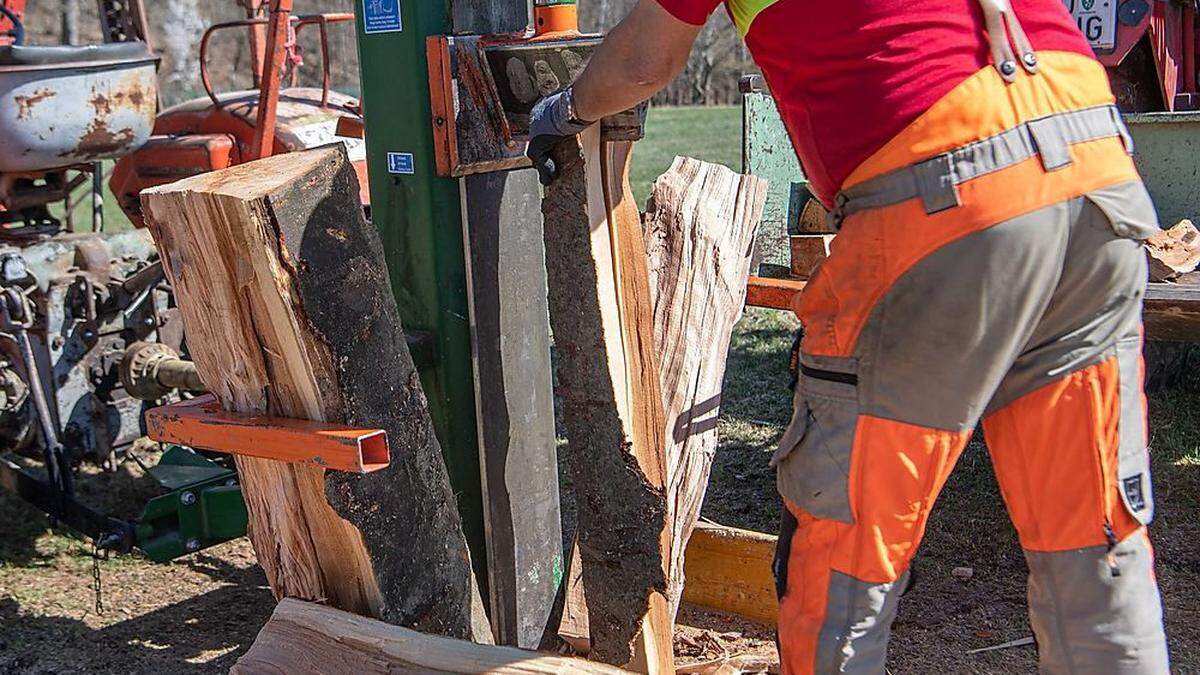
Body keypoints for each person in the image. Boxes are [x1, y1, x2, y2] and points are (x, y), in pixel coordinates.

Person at [526, 0, 1171, 672]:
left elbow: (641, 60)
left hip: (945, 187)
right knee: (1096, 556)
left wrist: (565, 109)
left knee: (843, 570)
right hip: (1098, 174)